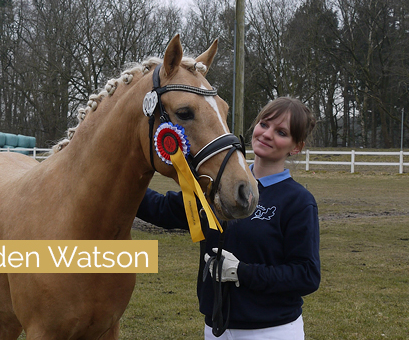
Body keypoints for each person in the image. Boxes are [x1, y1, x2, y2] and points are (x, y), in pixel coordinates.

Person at [137, 97, 320, 339]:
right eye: (264, 124)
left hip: (271, 331)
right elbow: (162, 209)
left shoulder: (298, 201)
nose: (267, 134)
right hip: (216, 329)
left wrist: (241, 272)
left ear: (295, 147)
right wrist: (118, 182)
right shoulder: (220, 183)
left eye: (281, 132)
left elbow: (306, 275)